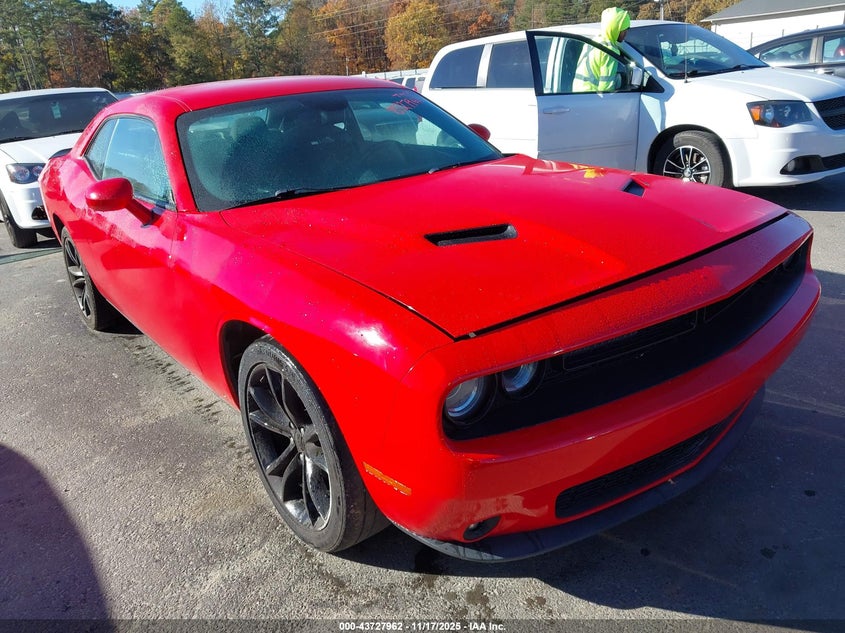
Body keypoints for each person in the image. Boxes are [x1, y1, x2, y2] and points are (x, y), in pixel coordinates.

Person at [572, 7, 631, 92]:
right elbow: (606, 89)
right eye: (623, 29)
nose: (626, 33)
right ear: (614, 28)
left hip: (577, 95)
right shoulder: (609, 51)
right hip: (592, 99)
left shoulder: (593, 42)